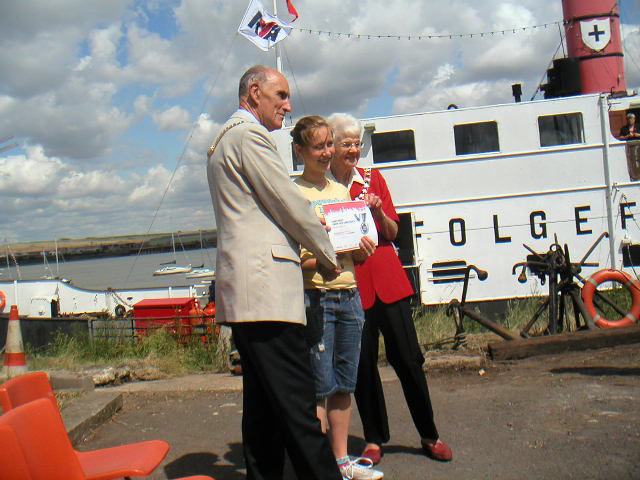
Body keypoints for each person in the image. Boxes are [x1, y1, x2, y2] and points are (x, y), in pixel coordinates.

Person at [207, 65, 343, 480]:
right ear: (254, 92)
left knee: (264, 413)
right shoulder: (249, 137)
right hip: (266, 292)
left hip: (246, 293)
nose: (289, 104)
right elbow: (288, 201)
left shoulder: (220, 142)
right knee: (300, 409)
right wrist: (329, 253)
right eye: (280, 95)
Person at [327, 112, 453, 465]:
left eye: (357, 143)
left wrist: (380, 213)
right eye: (346, 143)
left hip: (388, 281)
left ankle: (430, 434)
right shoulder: (326, 188)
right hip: (352, 286)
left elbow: (394, 233)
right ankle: (373, 439)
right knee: (363, 366)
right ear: (331, 146)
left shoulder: (372, 178)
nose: (353, 150)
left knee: (409, 360)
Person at [290, 116, 381, 480]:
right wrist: (321, 260)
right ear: (300, 151)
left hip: (349, 294)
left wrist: (362, 248)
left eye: (330, 144)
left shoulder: (341, 192)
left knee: (345, 382)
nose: (327, 153)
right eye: (319, 146)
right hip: (317, 298)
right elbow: (293, 258)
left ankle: (342, 462)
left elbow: (353, 254)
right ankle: (318, 466)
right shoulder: (293, 192)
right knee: (319, 388)